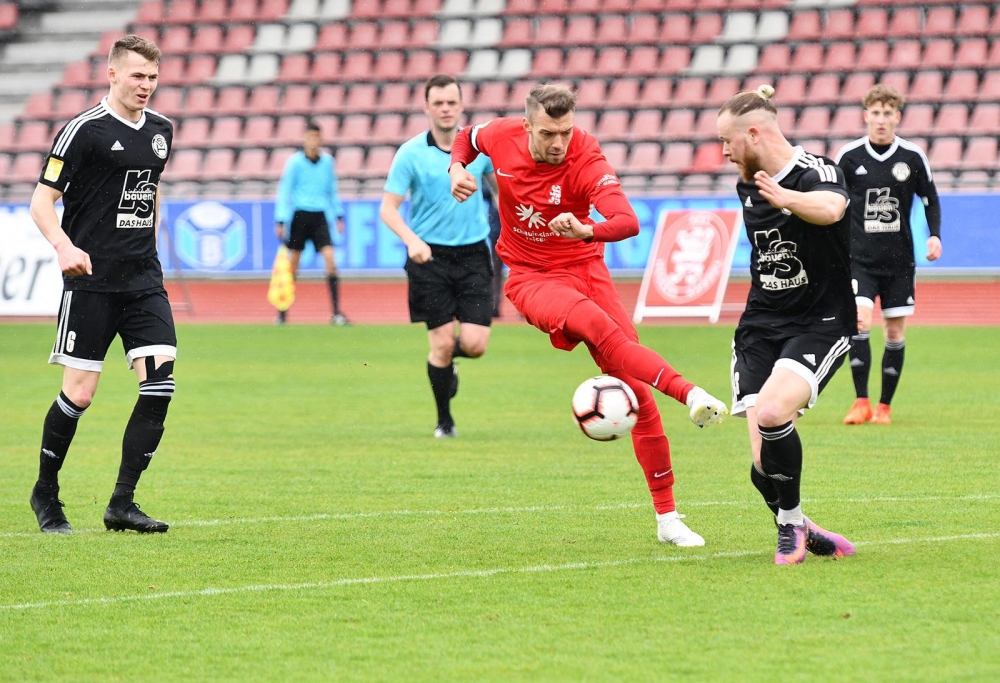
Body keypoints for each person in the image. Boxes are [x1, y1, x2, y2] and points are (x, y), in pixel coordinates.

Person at [449, 84, 728, 547]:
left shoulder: (585, 156)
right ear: (526, 126)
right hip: (532, 277)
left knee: (638, 392)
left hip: (586, 269)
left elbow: (627, 221)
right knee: (600, 327)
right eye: (548, 133)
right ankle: (690, 392)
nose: (559, 142)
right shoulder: (500, 135)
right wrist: (457, 168)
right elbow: (466, 137)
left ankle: (667, 520)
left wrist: (586, 229)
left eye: (566, 131)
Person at [28, 34, 175, 534]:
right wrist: (64, 247)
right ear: (112, 74)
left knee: (160, 384)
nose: (146, 85)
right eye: (137, 75)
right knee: (80, 395)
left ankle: (122, 503)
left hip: (143, 280)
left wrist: (151, 242)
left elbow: (151, 190)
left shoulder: (161, 130)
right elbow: (41, 201)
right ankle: (46, 492)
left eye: (153, 77)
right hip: (91, 282)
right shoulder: (82, 131)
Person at [718, 85, 858, 564]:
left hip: (820, 321)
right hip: (760, 324)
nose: (723, 151)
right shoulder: (747, 182)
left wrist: (787, 198)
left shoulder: (817, 172)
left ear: (754, 135)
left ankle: (789, 525)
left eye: (728, 141)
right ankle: (801, 525)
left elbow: (832, 209)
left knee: (774, 413)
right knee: (762, 464)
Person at [380, 75, 497, 438]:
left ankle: (444, 365)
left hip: (474, 254)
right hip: (429, 258)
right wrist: (411, 241)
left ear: (461, 106)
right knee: (442, 343)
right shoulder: (410, 153)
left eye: (451, 102)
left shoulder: (479, 150)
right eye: (439, 103)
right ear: (427, 107)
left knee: (475, 345)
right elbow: (388, 209)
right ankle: (444, 422)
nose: (446, 109)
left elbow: (502, 193)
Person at [834, 84, 943, 426]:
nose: (881, 120)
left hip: (899, 263)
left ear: (897, 117)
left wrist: (934, 235)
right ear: (866, 116)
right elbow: (832, 200)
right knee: (859, 322)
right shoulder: (849, 156)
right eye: (875, 113)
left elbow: (930, 198)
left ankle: (884, 407)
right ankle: (861, 402)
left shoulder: (912, 156)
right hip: (859, 261)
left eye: (887, 114)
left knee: (894, 333)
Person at [274, 121, 349, 325]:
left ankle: (336, 313)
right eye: (310, 137)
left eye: (316, 137)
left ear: (320, 139)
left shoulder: (327, 162)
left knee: (330, 261)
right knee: (293, 265)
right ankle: (282, 312)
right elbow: (285, 190)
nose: (313, 141)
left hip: (320, 216)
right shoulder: (295, 163)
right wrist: (281, 219)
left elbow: (332, 190)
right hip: (300, 215)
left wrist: (338, 215)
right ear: (305, 139)